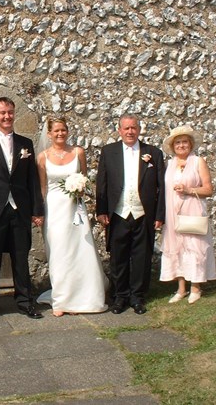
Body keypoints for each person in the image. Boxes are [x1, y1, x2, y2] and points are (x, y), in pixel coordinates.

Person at [0, 97, 45, 323]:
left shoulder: (26, 144)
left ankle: (25, 301)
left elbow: (32, 179)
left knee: (20, 258)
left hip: (19, 209)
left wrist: (37, 209)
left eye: (10, 112)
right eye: (2, 112)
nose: (7, 116)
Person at [35, 118, 108, 315]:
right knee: (59, 252)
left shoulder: (78, 152)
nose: (60, 133)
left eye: (63, 130)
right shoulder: (42, 157)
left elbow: (84, 179)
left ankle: (83, 297)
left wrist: (80, 188)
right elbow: (42, 187)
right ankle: (62, 300)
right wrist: (40, 212)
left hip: (75, 208)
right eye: (56, 130)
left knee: (81, 250)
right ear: (49, 134)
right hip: (54, 209)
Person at [95, 114, 165, 315]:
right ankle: (120, 297)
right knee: (118, 257)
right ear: (119, 130)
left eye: (133, 127)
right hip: (118, 213)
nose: (130, 131)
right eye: (126, 128)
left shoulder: (153, 153)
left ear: (139, 129)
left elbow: (161, 187)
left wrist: (160, 215)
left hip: (144, 214)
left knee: (142, 257)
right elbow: (102, 183)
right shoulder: (109, 152)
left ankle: (138, 297)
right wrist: (101, 211)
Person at [160, 125, 216, 304]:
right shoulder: (169, 164)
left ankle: (196, 287)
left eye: (185, 141)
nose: (181, 145)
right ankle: (181, 288)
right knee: (177, 248)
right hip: (172, 213)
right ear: (172, 146)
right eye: (178, 142)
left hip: (192, 210)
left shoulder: (198, 161)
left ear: (190, 144)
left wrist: (189, 190)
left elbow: (209, 189)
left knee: (195, 247)